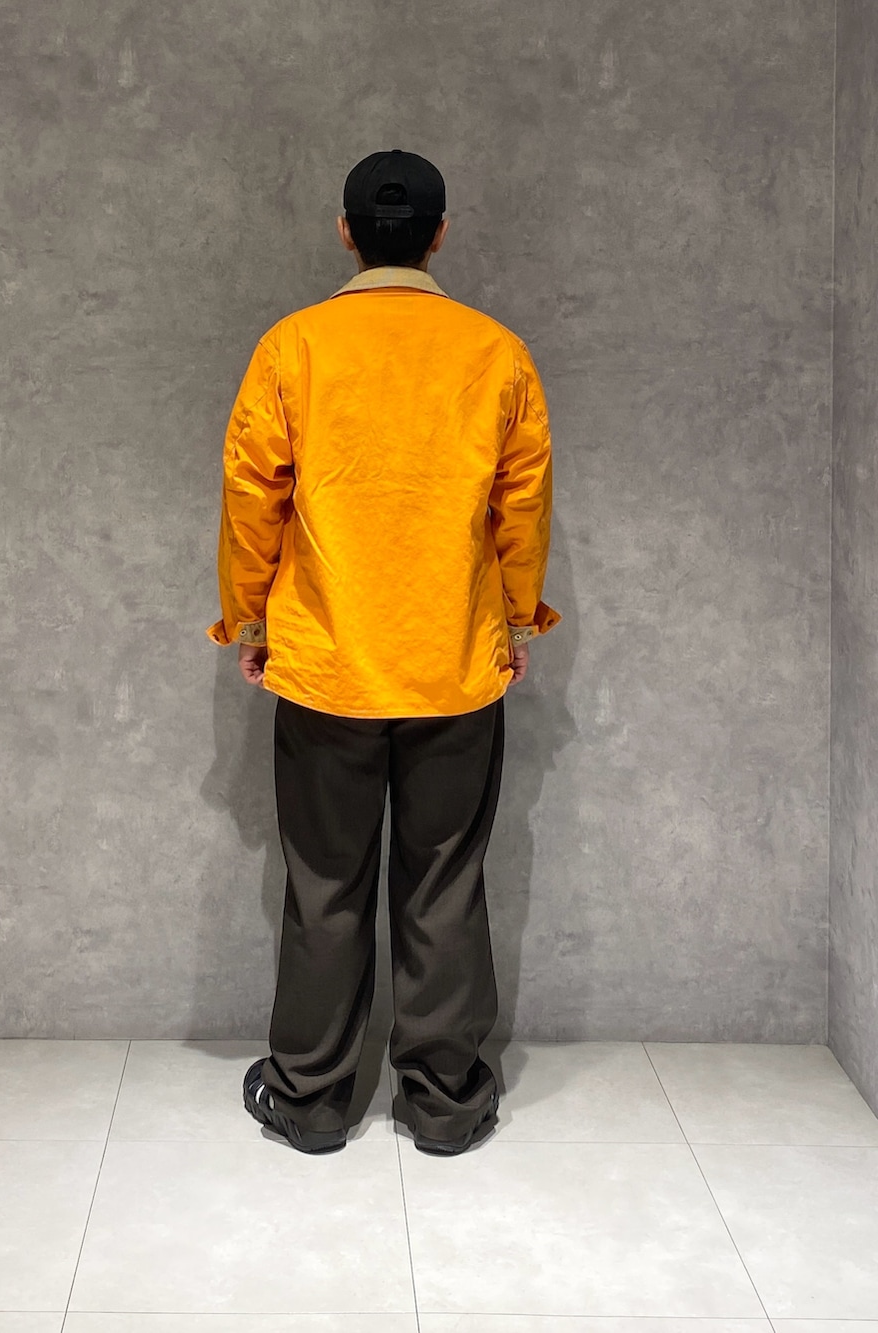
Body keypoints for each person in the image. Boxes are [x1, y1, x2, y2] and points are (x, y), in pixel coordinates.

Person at [207, 149, 560, 1156]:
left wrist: (248, 619)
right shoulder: (496, 352)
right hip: (453, 664)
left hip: (328, 664)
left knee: (325, 883)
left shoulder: (293, 347)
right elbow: (522, 505)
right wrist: (517, 618)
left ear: (345, 231)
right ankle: (446, 1104)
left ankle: (312, 1100)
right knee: (443, 883)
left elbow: (251, 497)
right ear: (440, 234)